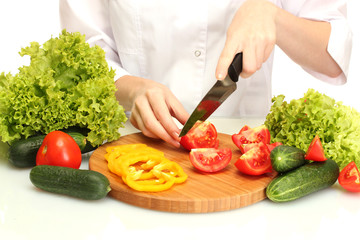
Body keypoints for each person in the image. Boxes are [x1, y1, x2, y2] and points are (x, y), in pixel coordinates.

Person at [60, 0, 352, 148]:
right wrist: (129, 88)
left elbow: (332, 56)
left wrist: (273, 16)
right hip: (131, 142)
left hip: (242, 152)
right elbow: (81, 52)